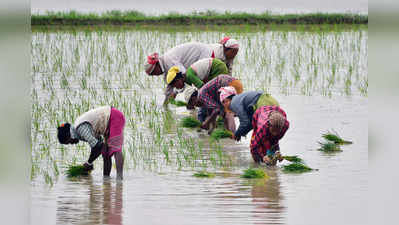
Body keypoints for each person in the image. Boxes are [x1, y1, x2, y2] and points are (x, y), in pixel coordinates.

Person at [144, 38, 239, 104]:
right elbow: (170, 85)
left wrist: (177, 93)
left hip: (203, 53)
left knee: (204, 83)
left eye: (153, 73)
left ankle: (209, 103)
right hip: (196, 62)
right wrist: (166, 103)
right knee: (199, 83)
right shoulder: (167, 69)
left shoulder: (169, 60)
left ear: (156, 66)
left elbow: (183, 76)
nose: (155, 75)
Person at [219, 90, 289, 165]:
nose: (224, 105)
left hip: (263, 103)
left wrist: (237, 134)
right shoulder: (240, 99)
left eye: (224, 102)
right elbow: (250, 123)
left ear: (227, 100)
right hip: (273, 102)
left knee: (263, 139)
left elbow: (245, 122)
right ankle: (270, 166)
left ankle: (264, 163)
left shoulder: (234, 103)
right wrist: (241, 133)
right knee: (267, 137)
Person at [57, 106, 125, 179]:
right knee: (106, 153)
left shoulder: (80, 129)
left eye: (69, 142)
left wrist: (89, 162)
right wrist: (90, 162)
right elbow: (99, 145)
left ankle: (119, 179)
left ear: (69, 135)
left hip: (114, 117)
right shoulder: (78, 130)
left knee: (116, 149)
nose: (72, 143)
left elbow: (97, 146)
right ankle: (106, 179)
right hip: (107, 124)